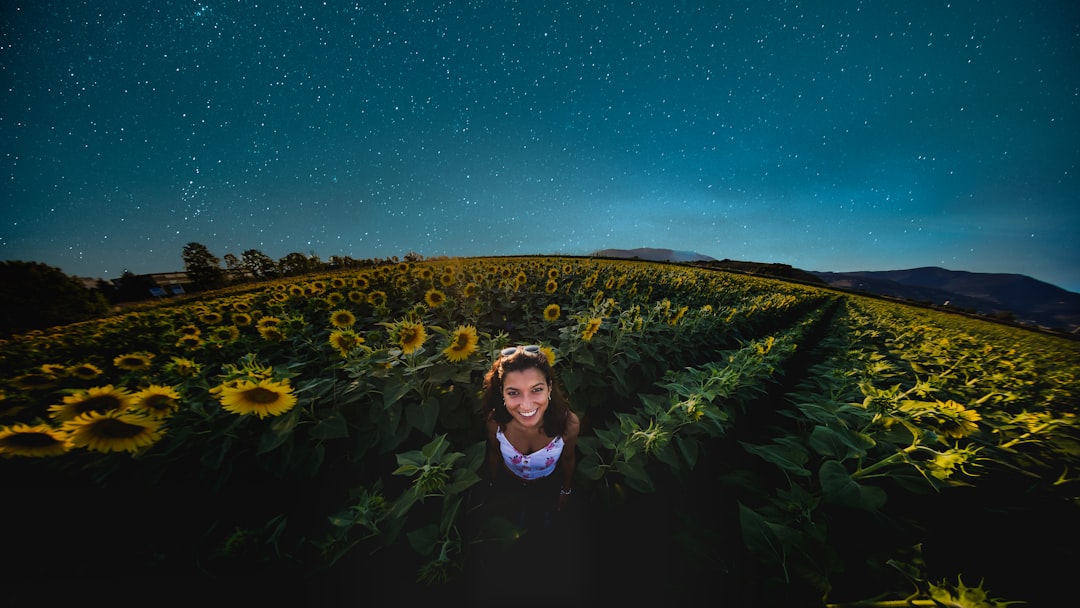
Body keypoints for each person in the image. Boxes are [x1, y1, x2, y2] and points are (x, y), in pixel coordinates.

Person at [480, 344, 580, 532]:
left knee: (544, 522)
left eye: (536, 389)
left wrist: (565, 490)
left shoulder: (568, 425)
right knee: (512, 520)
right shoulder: (496, 422)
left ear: (549, 388)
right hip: (509, 484)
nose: (526, 405)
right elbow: (494, 453)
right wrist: (493, 484)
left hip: (548, 485)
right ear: (502, 392)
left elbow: (568, 459)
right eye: (513, 393)